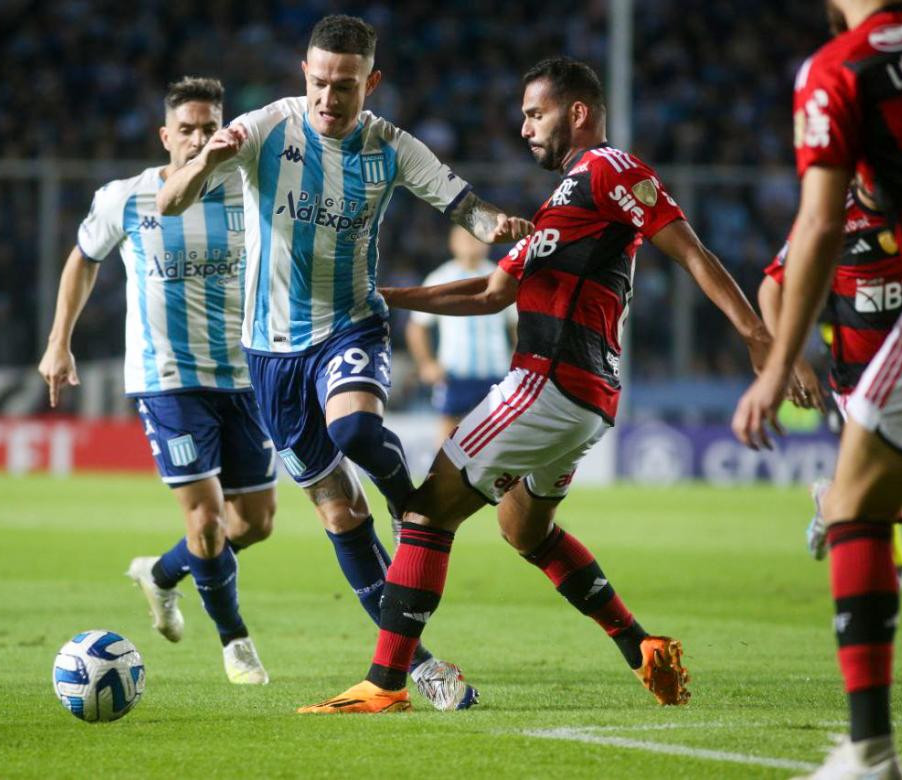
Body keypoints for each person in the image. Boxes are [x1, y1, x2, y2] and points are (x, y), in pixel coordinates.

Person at [300, 56, 776, 714]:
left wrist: (755, 335)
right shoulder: (562, 203)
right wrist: (380, 297)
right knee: (524, 529)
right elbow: (492, 291)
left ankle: (385, 685)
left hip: (547, 381)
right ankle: (642, 647)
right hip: (587, 400)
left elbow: (689, 249)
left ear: (577, 112)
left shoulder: (611, 169)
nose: (524, 128)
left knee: (426, 514)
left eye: (535, 113)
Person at [157, 14, 533, 710]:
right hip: (271, 357)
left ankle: (412, 506)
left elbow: (466, 207)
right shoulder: (265, 129)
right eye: (321, 83)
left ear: (372, 82)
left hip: (350, 324)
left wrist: (498, 226)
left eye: (347, 86)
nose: (331, 98)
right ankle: (417, 667)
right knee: (337, 513)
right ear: (305, 75)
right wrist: (205, 160)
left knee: (357, 432)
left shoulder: (390, 146)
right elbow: (169, 200)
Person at [733, 1, 902, 775]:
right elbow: (783, 270)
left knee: (852, 509)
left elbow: (811, 228)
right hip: (860, 374)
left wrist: (775, 371)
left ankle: (870, 753)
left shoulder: (841, 67)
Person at [38, 77, 275, 685]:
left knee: (255, 524)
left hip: (245, 377)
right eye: (188, 129)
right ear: (166, 136)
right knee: (207, 520)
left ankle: (162, 574)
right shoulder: (128, 197)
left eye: (210, 126)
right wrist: (59, 340)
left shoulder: (249, 192)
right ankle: (236, 642)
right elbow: (82, 258)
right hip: (167, 378)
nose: (199, 138)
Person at [758, 181, 902, 589]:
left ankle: (833, 501)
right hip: (860, 384)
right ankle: (837, 504)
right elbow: (771, 289)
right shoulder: (830, 214)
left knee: (897, 501)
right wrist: (792, 361)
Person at [407, 226, 517, 442]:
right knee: (449, 431)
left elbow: (518, 325)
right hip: (454, 373)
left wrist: (518, 360)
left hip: (497, 373)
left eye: (477, 238)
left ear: (487, 243)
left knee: (504, 435)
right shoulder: (441, 278)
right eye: (465, 238)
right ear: (452, 244)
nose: (471, 242)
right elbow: (417, 325)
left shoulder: (500, 277)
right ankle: (441, 476)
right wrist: (426, 363)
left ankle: (503, 477)